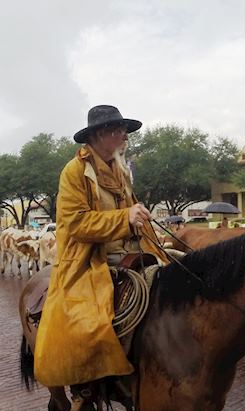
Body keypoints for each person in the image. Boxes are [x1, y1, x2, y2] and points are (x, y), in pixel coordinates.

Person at [34, 105, 168, 388]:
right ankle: (85, 390)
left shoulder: (120, 169)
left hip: (127, 251)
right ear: (98, 135)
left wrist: (138, 214)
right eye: (117, 131)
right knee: (86, 320)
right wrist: (124, 218)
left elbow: (128, 213)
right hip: (87, 257)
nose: (124, 137)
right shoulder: (74, 172)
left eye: (124, 131)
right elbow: (76, 224)